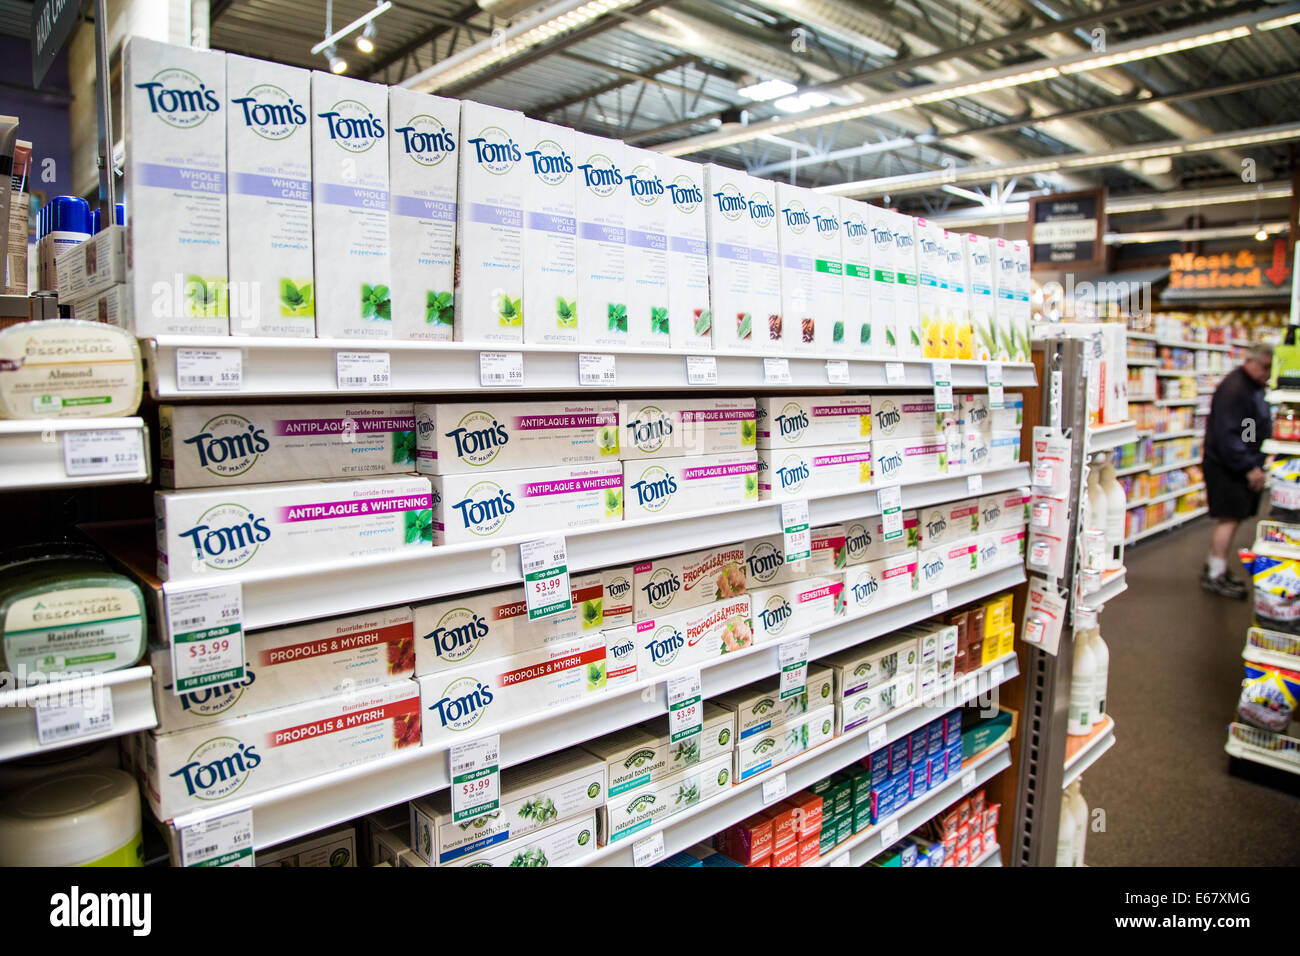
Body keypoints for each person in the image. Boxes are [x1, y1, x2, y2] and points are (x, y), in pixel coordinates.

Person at [1201, 343, 1273, 598]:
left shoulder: (1250, 388)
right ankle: (1215, 575)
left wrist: (1253, 456)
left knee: (1232, 518)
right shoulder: (1236, 389)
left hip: (1236, 463)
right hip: (1227, 467)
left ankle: (1216, 566)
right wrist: (1248, 465)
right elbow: (1230, 435)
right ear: (1250, 361)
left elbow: (1247, 428)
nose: (1268, 372)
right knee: (1229, 518)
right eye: (1265, 366)